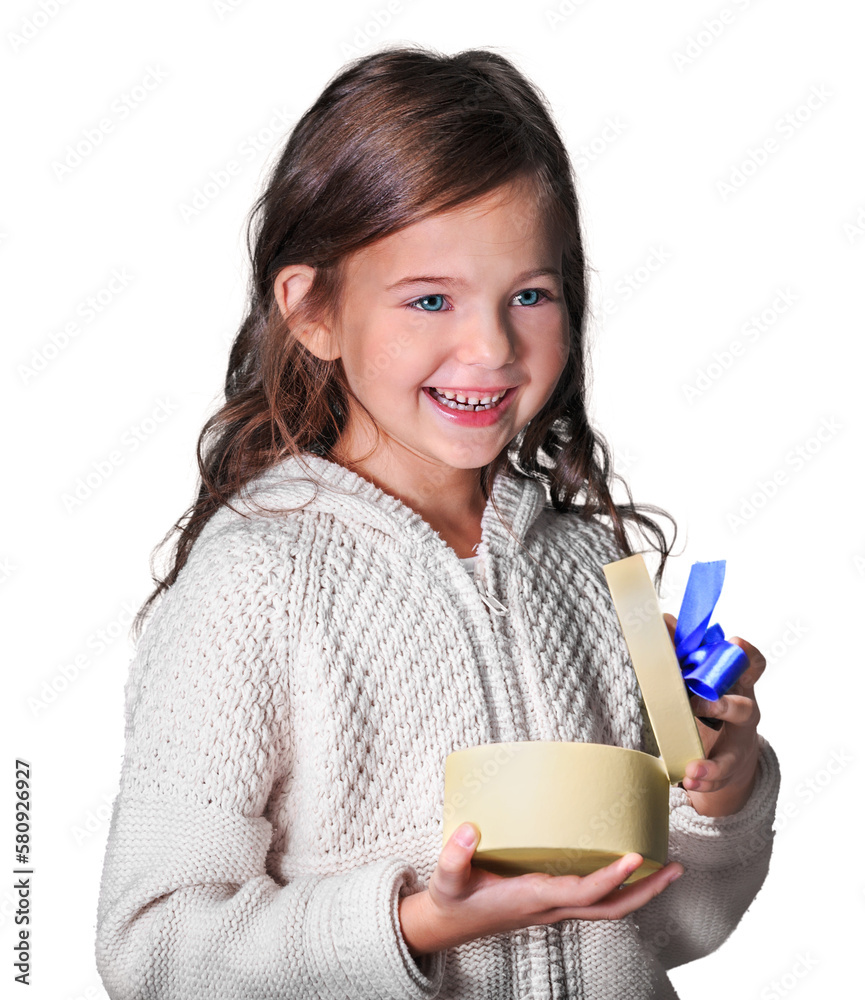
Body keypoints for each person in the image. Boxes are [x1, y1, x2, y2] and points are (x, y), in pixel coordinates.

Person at [94, 44, 779, 1000]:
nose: (491, 346)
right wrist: (410, 925)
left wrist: (725, 791)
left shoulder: (591, 564)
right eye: (429, 299)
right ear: (314, 311)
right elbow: (151, 947)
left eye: (530, 296)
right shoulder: (256, 578)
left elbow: (676, 919)